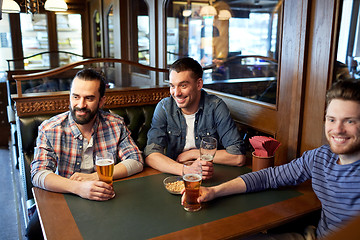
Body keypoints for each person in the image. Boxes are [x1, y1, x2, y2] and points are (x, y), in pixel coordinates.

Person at [182, 80, 360, 239]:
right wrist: (214, 191)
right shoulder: (321, 157)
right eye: (331, 119)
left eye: (349, 121)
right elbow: (269, 177)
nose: (337, 129)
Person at [26, 69, 144, 239]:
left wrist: (94, 177)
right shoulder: (50, 128)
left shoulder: (115, 124)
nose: (81, 104)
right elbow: (38, 173)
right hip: (64, 195)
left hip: (106, 194)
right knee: (34, 232)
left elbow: (136, 160)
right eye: (75, 97)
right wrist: (78, 187)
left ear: (101, 101)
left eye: (89, 98)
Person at [144, 57, 246, 179]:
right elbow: (151, 155)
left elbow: (238, 156)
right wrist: (186, 170)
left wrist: (193, 154)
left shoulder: (215, 106)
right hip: (174, 174)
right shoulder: (165, 107)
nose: (176, 93)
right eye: (172, 86)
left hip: (212, 175)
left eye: (183, 86)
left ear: (199, 84)